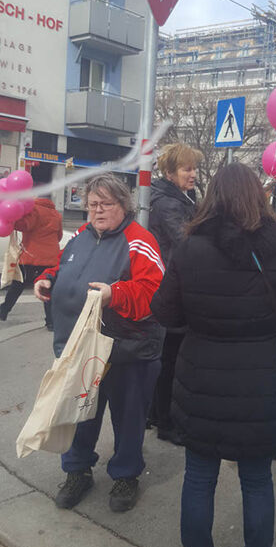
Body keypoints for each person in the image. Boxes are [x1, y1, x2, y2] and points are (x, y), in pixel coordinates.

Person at [151, 163, 276, 547]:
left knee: (199, 477)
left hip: (201, 383)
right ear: (258, 198)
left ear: (212, 198)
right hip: (263, 384)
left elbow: (165, 314)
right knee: (258, 479)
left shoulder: (189, 248)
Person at [34, 173, 165, 513]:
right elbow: (64, 266)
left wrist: (115, 294)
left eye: (106, 204)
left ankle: (125, 475)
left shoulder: (140, 240)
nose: (98, 211)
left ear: (124, 205)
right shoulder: (81, 235)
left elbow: (155, 294)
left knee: (128, 418)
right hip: (81, 350)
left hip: (127, 351)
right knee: (79, 415)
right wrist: (48, 280)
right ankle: (77, 471)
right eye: (92, 204)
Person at [147, 143, 203, 442]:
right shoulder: (169, 203)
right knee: (171, 358)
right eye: (186, 169)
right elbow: (185, 242)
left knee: (169, 356)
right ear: (170, 173)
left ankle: (157, 414)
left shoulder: (181, 197)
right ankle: (165, 423)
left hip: (174, 283)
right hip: (171, 286)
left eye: (194, 168)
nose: (192, 174)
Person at [0, 195, 62, 329]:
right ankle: (51, 322)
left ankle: (3, 311)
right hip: (51, 258)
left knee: (17, 285)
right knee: (47, 289)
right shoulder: (56, 214)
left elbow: (26, 225)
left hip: (32, 257)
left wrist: (13, 221)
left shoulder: (34, 209)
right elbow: (59, 236)